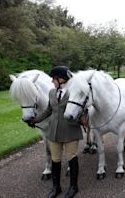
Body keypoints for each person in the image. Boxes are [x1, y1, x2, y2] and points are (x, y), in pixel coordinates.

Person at [27, 66, 83, 198]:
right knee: (55, 160)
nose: (52, 81)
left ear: (61, 79)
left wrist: (84, 119)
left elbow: (81, 108)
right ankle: (56, 187)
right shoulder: (52, 92)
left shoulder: (73, 92)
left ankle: (73, 187)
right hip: (54, 132)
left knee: (71, 158)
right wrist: (35, 120)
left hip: (70, 131)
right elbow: (48, 110)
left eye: (54, 78)